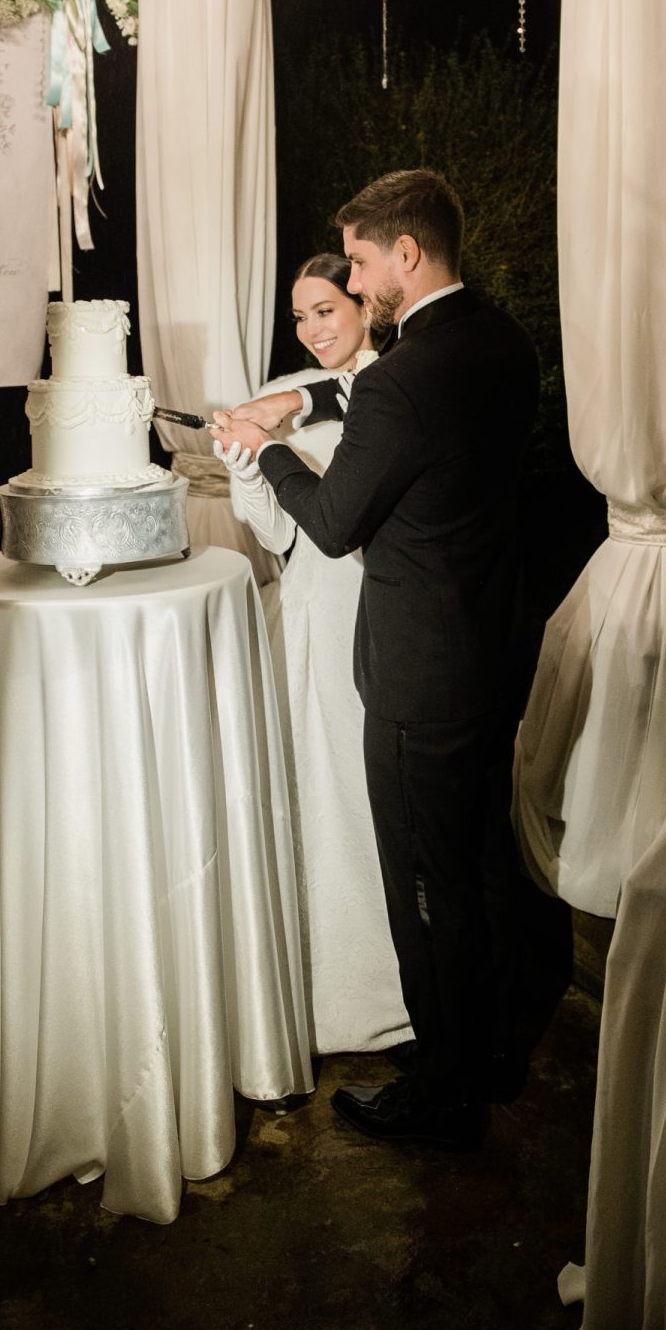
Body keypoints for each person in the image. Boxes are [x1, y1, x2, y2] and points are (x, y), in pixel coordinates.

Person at [215, 168, 573, 1151]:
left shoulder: (404, 378)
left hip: (417, 669)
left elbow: (332, 525)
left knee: (428, 881)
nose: (360, 282)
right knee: (483, 858)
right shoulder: (499, 342)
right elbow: (391, 412)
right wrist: (302, 402)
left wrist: (259, 444)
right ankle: (494, 1046)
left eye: (363, 262)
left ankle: (443, 1080)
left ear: (403, 254)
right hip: (493, 639)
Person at [219, 254, 411, 1057]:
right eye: (300, 316)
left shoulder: (386, 387)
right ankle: (310, 979)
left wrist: (280, 427)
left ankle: (382, 989)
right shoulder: (297, 392)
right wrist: (250, 466)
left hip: (366, 607)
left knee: (357, 792)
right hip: (306, 604)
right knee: (307, 784)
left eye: (327, 309)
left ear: (365, 304)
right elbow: (281, 535)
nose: (313, 329)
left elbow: (357, 504)